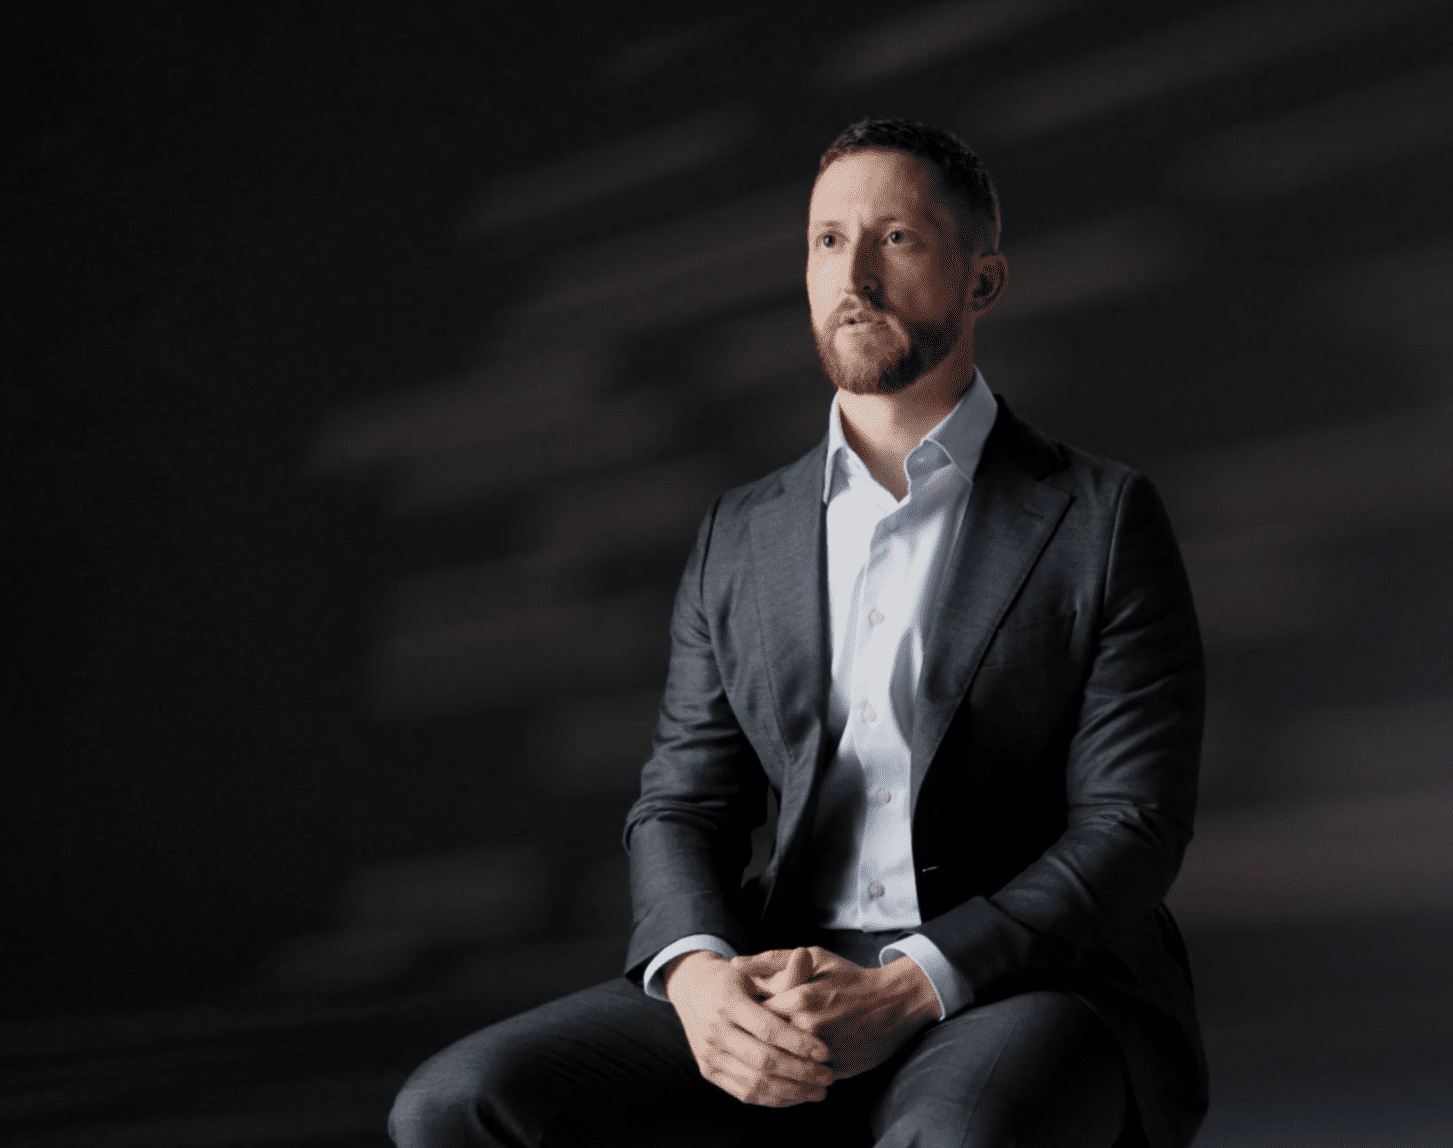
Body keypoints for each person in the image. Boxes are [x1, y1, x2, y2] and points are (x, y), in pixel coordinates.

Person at [389, 117, 1208, 1148]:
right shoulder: (741, 531)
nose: (851, 272)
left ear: (983, 282)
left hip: (1024, 978)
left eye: (897, 239)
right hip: (776, 967)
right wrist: (697, 975)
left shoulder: (1099, 516)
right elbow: (682, 802)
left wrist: (914, 981)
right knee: (454, 1104)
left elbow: (1130, 825)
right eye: (826, 240)